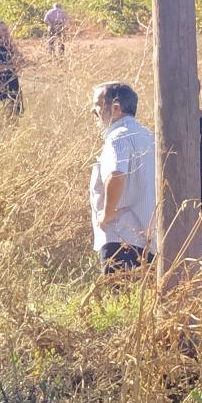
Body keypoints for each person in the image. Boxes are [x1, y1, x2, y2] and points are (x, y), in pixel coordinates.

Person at [89, 82, 155, 274]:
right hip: (150, 242)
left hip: (120, 238)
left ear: (116, 108)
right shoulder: (150, 137)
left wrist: (107, 213)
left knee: (118, 292)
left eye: (98, 105)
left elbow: (116, 175)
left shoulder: (117, 138)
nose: (93, 111)